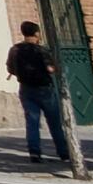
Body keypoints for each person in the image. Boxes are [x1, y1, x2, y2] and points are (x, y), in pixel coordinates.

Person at [11, 21, 71, 166]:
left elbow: (11, 67)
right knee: (54, 122)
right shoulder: (41, 50)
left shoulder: (15, 49)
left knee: (32, 122)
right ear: (37, 33)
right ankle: (63, 152)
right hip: (44, 89)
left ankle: (34, 152)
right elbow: (50, 69)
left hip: (25, 88)